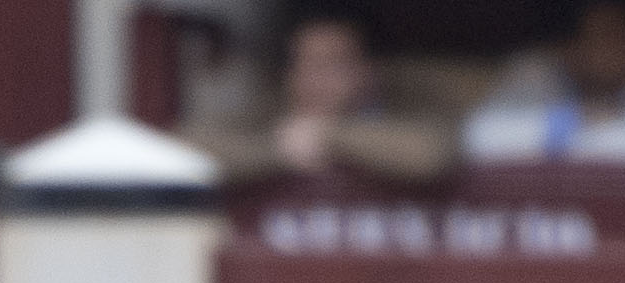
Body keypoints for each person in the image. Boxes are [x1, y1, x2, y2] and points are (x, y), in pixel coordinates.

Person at [182, 16, 456, 185]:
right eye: (302, 64)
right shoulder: (271, 111)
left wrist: (330, 135)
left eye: (330, 64)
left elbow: (433, 152)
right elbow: (186, 145)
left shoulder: (404, 104)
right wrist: (276, 151)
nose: (313, 79)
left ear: (366, 72)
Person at [461, 3, 625, 166]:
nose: (624, 47)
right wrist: (574, 119)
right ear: (573, 46)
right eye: (606, 35)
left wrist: (543, 145)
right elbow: (481, 136)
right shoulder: (538, 67)